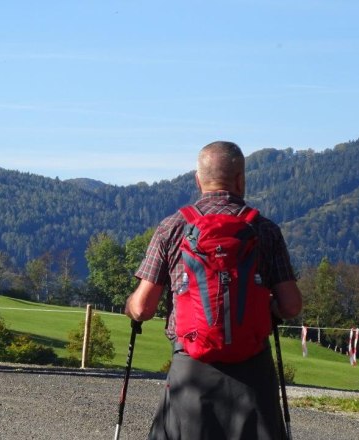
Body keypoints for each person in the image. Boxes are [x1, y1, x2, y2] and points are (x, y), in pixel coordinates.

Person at [125, 141, 302, 440]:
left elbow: (143, 308)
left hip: (191, 369)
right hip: (253, 371)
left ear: (198, 179)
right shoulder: (265, 230)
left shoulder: (173, 227)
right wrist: (270, 308)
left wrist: (130, 306)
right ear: (241, 179)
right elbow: (292, 305)